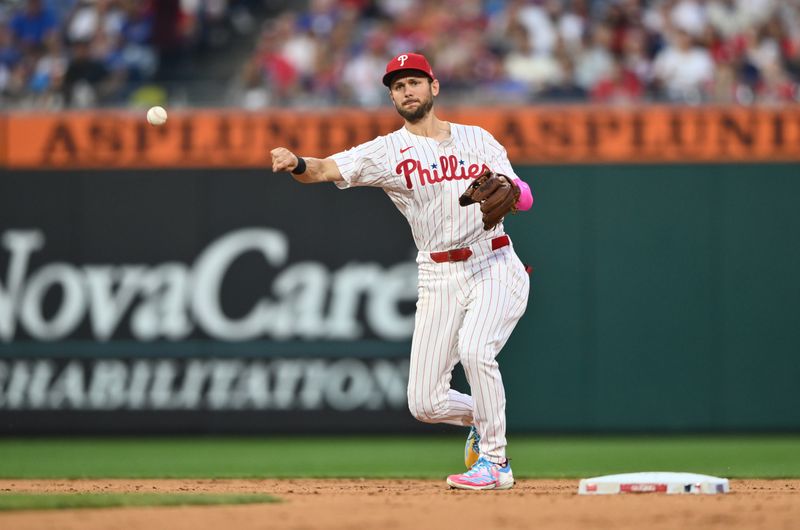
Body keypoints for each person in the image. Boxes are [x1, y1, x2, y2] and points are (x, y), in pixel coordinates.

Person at [271, 52, 533, 490]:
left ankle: (495, 463)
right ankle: (485, 418)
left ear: (434, 87)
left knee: (475, 350)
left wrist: (512, 189)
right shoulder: (386, 151)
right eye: (397, 85)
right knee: (425, 403)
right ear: (392, 97)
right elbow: (322, 169)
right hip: (437, 275)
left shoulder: (479, 139)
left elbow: (524, 199)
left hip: (493, 261)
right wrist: (296, 162)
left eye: (414, 81)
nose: (406, 90)